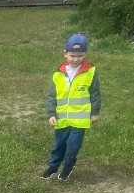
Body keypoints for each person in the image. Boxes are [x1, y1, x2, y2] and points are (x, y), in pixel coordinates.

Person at [41, 34, 101, 183]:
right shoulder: (58, 73)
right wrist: (51, 114)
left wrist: (95, 112)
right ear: (65, 54)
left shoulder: (90, 72)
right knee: (59, 145)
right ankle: (53, 167)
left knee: (73, 145)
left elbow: (95, 94)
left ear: (85, 54)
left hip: (80, 120)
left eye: (80, 56)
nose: (75, 59)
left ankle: (67, 168)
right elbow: (52, 96)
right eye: (72, 56)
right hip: (61, 119)